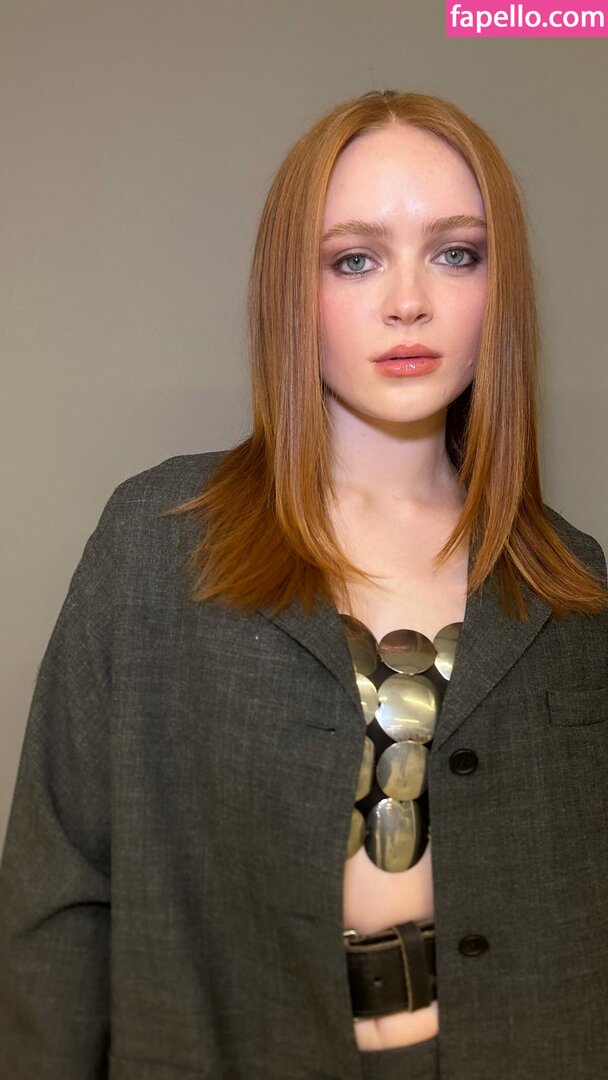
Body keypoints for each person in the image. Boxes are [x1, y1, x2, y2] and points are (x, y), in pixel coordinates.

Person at [0, 89, 607, 1080]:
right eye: (354, 259)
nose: (406, 300)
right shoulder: (158, 543)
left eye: (456, 253)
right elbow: (57, 895)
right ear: (293, 286)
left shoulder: (573, 582)